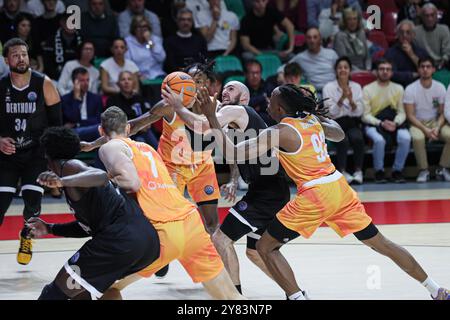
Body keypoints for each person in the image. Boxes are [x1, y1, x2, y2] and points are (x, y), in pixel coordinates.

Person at [200, 83, 450, 301]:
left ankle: (297, 296)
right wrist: (319, 119)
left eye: (272, 101)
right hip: (339, 189)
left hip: (315, 195)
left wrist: (213, 118)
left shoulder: (278, 132)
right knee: (382, 244)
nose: (268, 103)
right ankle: (435, 289)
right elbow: (339, 134)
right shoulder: (310, 120)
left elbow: (232, 152)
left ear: (280, 109)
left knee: (264, 248)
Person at [165, 80, 344, 295]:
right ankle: (295, 292)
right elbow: (221, 148)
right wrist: (232, 180)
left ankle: (235, 296)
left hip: (266, 193)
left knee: (221, 239)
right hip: (270, 190)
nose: (225, 92)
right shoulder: (234, 122)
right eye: (224, 89)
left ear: (245, 97)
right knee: (256, 251)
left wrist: (179, 107)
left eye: (232, 89)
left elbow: (203, 126)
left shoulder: (239, 110)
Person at [96, 106, 243, 300]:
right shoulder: (148, 149)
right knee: (230, 297)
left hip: (163, 231)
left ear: (101, 130)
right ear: (129, 129)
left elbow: (132, 183)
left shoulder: (109, 147)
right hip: (191, 223)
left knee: (103, 286)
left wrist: (105, 179)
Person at [28, 127, 160, 300]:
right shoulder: (76, 177)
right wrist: (50, 228)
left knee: (53, 294)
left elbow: (101, 176)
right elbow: (87, 228)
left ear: (46, 155)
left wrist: (62, 181)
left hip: (119, 240)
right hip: (144, 244)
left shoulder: (69, 167)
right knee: (86, 294)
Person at [0, 38, 62, 265]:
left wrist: (52, 157)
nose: (21, 58)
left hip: (35, 153)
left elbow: (57, 124)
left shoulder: (44, 83)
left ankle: (26, 237)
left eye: (24, 54)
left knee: (33, 203)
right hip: (7, 156)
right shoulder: (1, 86)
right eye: (15, 55)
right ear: (7, 60)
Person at [362, 59, 410, 183]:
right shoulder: (367, 89)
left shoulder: (399, 88)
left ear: (391, 72)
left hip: (394, 123)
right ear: (376, 72)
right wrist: (380, 123)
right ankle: (379, 171)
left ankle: (397, 171)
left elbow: (402, 112)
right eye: (382, 69)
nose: (385, 72)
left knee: (406, 138)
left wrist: (396, 123)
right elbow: (365, 115)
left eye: (388, 69)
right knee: (379, 140)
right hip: (374, 123)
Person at [404, 57, 450, 182]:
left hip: (436, 122)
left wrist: (437, 127)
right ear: (418, 69)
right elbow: (410, 115)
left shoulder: (440, 87)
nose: (425, 69)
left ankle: (443, 168)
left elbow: (442, 113)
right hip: (418, 123)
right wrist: (425, 130)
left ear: (433, 70)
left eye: (428, 67)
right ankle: (423, 170)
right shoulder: (410, 89)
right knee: (418, 138)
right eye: (422, 66)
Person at [323, 56, 364, 184]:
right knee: (343, 140)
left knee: (358, 138)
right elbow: (330, 112)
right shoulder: (328, 87)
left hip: (351, 122)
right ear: (336, 70)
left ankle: (358, 171)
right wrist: (341, 99)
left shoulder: (356, 87)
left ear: (350, 70)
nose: (343, 70)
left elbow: (359, 112)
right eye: (340, 67)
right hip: (335, 123)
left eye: (346, 67)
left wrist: (351, 100)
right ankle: (342, 171)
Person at [105, 71, 159, 149]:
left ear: (133, 83)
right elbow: (113, 122)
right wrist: (139, 125)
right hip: (123, 135)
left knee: (148, 136)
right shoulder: (112, 100)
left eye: (129, 79)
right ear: (118, 84)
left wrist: (145, 124)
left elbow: (148, 116)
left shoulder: (139, 98)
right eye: (123, 79)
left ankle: (158, 155)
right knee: (141, 142)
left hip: (144, 132)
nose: (126, 82)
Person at [289, 27, 338, 94]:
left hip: (333, 91)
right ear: (306, 40)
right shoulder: (300, 57)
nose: (312, 40)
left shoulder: (332, 54)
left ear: (320, 39)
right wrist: (281, 73)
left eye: (315, 37)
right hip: (315, 93)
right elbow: (285, 67)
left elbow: (341, 70)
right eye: (309, 37)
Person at [61, 67, 103, 142]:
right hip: (73, 134)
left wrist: (78, 124)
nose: (86, 83)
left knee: (99, 129)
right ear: (74, 82)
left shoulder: (96, 98)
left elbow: (97, 120)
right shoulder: (65, 99)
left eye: (87, 80)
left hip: (93, 130)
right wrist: (77, 99)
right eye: (82, 80)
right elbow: (72, 118)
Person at [384, 19, 428, 87]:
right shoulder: (390, 52)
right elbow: (391, 74)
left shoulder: (421, 51)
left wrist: (412, 55)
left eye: (408, 32)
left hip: (419, 87)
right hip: (396, 88)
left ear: (413, 35)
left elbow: (426, 70)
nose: (404, 35)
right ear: (397, 34)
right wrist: (412, 75)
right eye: (401, 32)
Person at [40, 13, 83, 81]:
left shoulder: (82, 41)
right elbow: (48, 64)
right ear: (62, 23)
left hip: (78, 77)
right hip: (56, 78)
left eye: (74, 22)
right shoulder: (51, 41)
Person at [163, 8, 207, 72]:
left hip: (197, 76)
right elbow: (170, 64)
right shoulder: (169, 41)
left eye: (189, 20)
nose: (186, 22)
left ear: (192, 22)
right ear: (177, 21)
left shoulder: (200, 41)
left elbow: (204, 61)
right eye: (182, 20)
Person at [125, 15, 166, 81]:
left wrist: (149, 41)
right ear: (134, 29)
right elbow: (128, 62)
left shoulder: (155, 39)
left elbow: (161, 58)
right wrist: (137, 75)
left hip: (157, 75)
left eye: (144, 26)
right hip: (138, 76)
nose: (142, 29)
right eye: (139, 27)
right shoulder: (128, 42)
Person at [414, 3, 450, 70]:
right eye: (426, 16)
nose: (430, 19)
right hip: (422, 66)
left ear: (436, 16)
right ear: (422, 17)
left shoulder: (444, 29)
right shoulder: (415, 31)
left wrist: (438, 67)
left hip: (441, 66)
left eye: (432, 15)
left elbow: (447, 53)